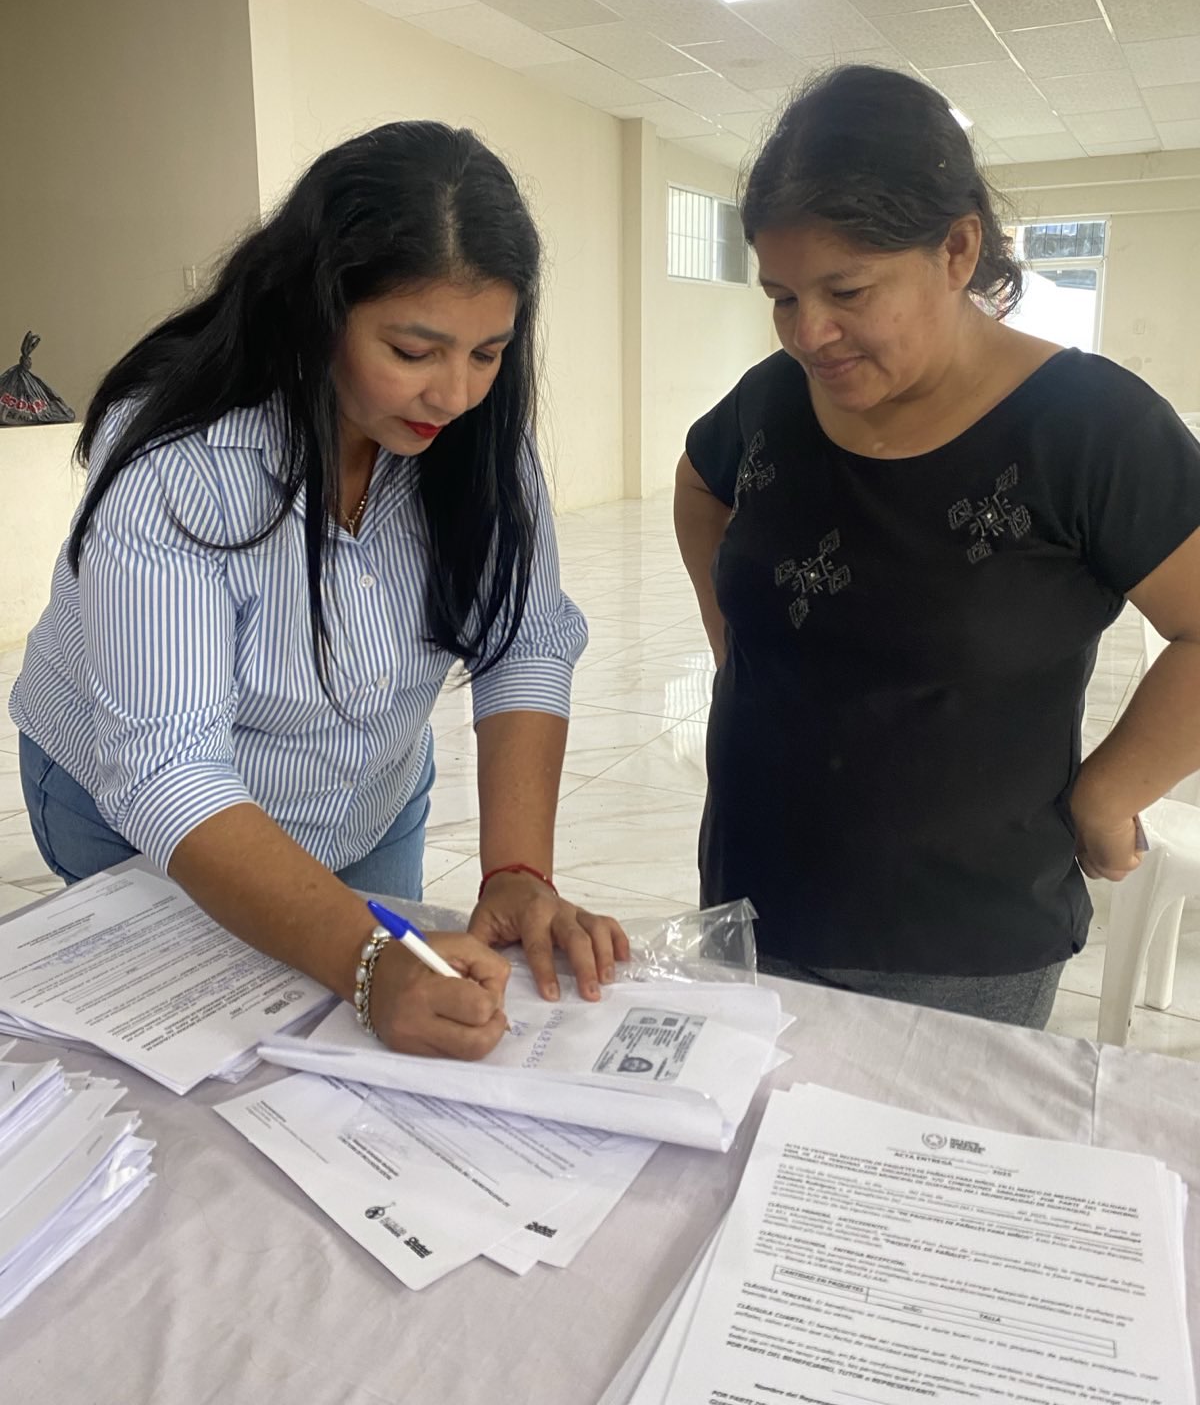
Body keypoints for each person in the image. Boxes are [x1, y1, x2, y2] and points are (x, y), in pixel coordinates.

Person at [12, 121, 627, 1059]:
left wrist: (516, 872)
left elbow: (526, 640)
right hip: (148, 822)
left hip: (366, 801)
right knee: (203, 1067)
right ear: (318, 310)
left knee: (365, 1047)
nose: (455, 395)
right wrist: (367, 960)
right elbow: (169, 767)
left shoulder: (475, 439)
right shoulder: (182, 457)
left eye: (488, 352)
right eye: (413, 351)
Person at [675, 65, 1200, 1029]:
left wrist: (1108, 794)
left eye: (846, 290)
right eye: (782, 296)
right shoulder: (775, 398)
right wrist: (733, 640)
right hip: (752, 892)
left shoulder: (1091, 428)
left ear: (958, 250)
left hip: (958, 941)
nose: (809, 333)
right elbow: (700, 483)